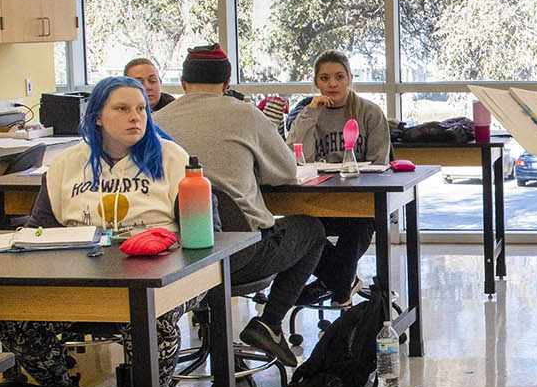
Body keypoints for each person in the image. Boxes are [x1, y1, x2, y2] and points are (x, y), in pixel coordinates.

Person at [0, 76, 192, 387]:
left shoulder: (172, 158)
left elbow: (204, 231)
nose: (136, 117)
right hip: (79, 280)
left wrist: (167, 245)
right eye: (122, 109)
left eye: (140, 109)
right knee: (11, 316)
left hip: (153, 277)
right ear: (97, 117)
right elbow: (39, 228)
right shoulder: (67, 163)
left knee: (153, 325)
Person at [153, 43, 326, 366]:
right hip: (241, 254)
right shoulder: (246, 114)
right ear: (227, 82)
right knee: (312, 230)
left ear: (183, 82)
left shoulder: (156, 120)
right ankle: (270, 323)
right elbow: (286, 171)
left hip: (175, 258)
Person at [285, 50, 390, 306]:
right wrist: (310, 114)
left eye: (339, 77)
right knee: (301, 233)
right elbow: (296, 156)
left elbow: (380, 162)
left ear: (350, 78)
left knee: (357, 226)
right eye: (325, 78)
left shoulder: (369, 112)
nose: (332, 84)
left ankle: (331, 282)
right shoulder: (308, 112)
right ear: (316, 82)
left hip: (359, 199)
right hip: (317, 198)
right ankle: (342, 282)